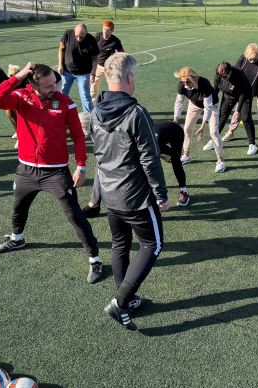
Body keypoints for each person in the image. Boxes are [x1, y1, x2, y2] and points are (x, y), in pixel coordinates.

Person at [0, 62, 103, 284]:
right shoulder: (21, 97)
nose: (55, 88)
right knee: (18, 207)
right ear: (33, 84)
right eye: (49, 85)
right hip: (26, 170)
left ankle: (95, 259)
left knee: (75, 217)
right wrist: (19, 75)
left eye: (55, 83)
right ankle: (17, 238)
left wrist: (80, 165)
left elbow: (79, 137)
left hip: (56, 173)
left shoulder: (65, 103)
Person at [90, 52, 169, 331]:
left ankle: (129, 298)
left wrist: (97, 194)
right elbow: (150, 157)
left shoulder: (95, 111)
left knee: (119, 244)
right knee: (153, 245)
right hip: (135, 196)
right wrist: (161, 195)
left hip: (111, 194)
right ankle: (121, 302)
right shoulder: (136, 113)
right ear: (130, 77)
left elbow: (98, 155)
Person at [83, 119, 188, 218]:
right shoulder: (133, 139)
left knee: (175, 160)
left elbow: (152, 170)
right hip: (156, 138)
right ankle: (165, 154)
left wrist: (160, 197)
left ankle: (184, 191)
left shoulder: (150, 145)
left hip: (175, 131)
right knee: (154, 155)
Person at [172, 66, 226, 173]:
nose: (186, 85)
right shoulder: (182, 84)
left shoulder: (203, 83)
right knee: (186, 129)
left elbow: (208, 107)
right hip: (194, 104)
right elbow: (179, 103)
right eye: (183, 83)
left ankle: (221, 161)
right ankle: (186, 155)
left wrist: (202, 126)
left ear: (194, 79)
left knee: (214, 132)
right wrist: (175, 120)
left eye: (188, 82)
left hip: (212, 105)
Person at [224, 43, 258, 149]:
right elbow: (234, 74)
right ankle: (231, 131)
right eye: (250, 59)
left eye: (255, 59)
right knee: (238, 111)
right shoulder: (242, 59)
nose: (252, 61)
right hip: (245, 90)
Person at [204, 61, 256, 155]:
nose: (222, 79)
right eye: (220, 77)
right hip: (229, 96)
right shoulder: (218, 76)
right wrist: (210, 105)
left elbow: (242, 93)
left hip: (244, 96)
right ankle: (213, 140)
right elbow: (215, 90)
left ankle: (252, 144)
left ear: (230, 72)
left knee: (246, 118)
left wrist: (238, 110)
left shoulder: (239, 74)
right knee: (221, 117)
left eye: (224, 77)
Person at [58, 23, 99, 116]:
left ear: (86, 33)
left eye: (81, 37)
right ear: (74, 31)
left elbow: (95, 59)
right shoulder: (67, 34)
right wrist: (60, 64)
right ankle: (59, 114)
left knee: (85, 97)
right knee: (61, 94)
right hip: (67, 72)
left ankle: (89, 119)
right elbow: (61, 49)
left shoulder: (91, 40)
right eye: (77, 36)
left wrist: (93, 73)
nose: (79, 39)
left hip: (83, 74)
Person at [90, 20, 124, 105]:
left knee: (114, 85)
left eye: (108, 30)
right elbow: (91, 48)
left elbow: (122, 53)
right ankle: (92, 105)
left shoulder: (115, 41)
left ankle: (116, 104)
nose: (105, 31)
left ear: (112, 31)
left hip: (110, 67)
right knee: (93, 86)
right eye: (104, 29)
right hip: (98, 66)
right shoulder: (98, 36)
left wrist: (118, 62)